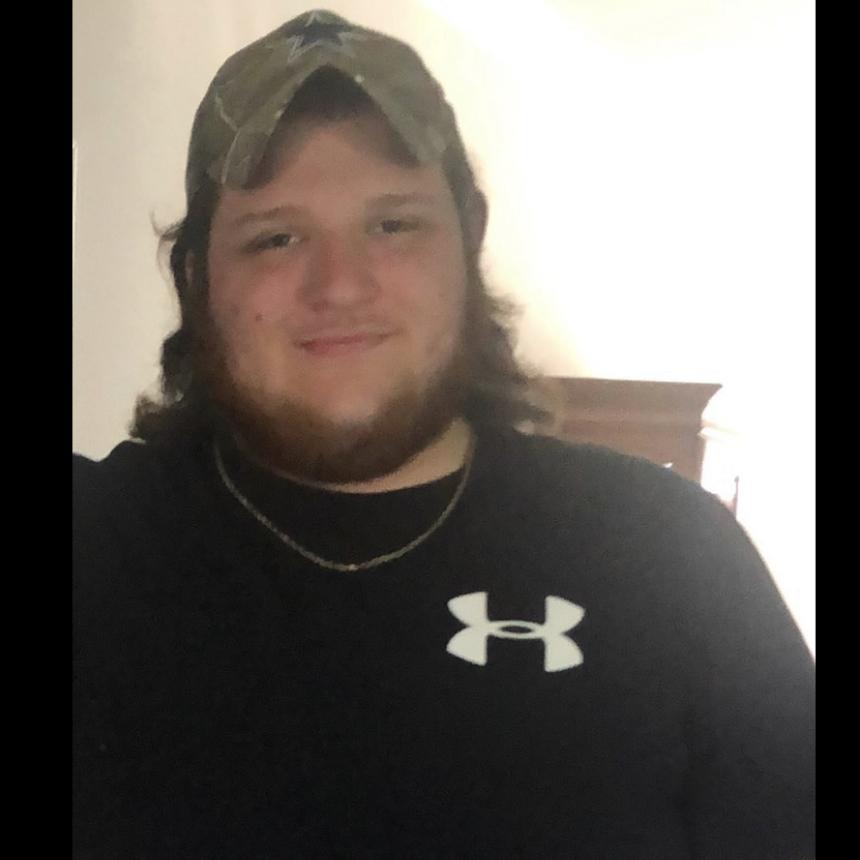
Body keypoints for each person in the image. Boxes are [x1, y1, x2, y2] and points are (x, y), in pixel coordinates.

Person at [73, 9, 815, 858]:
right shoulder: (94, 549)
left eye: (393, 224)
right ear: (198, 276)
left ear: (468, 242)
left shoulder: (673, 559)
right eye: (276, 237)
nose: (340, 285)